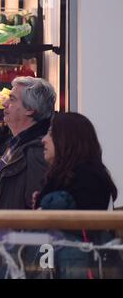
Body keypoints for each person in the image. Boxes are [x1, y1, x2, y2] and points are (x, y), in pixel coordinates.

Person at [0, 76, 56, 279]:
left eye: (12, 99)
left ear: (30, 109)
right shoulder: (20, 146)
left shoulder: (37, 152)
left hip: (14, 264)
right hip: (5, 258)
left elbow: (41, 220)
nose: (5, 103)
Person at [31, 112, 119, 279]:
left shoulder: (86, 179)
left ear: (67, 139)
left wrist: (46, 207)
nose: (44, 139)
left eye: (51, 133)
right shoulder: (68, 177)